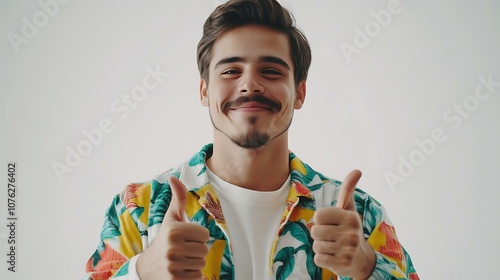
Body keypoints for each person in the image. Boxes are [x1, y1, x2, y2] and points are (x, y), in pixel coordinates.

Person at [85, 0, 419, 279]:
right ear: (204, 90)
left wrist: (367, 267)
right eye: (231, 71)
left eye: (271, 71)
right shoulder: (138, 209)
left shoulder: (359, 215)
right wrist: (143, 272)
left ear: (299, 92)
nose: (249, 85)